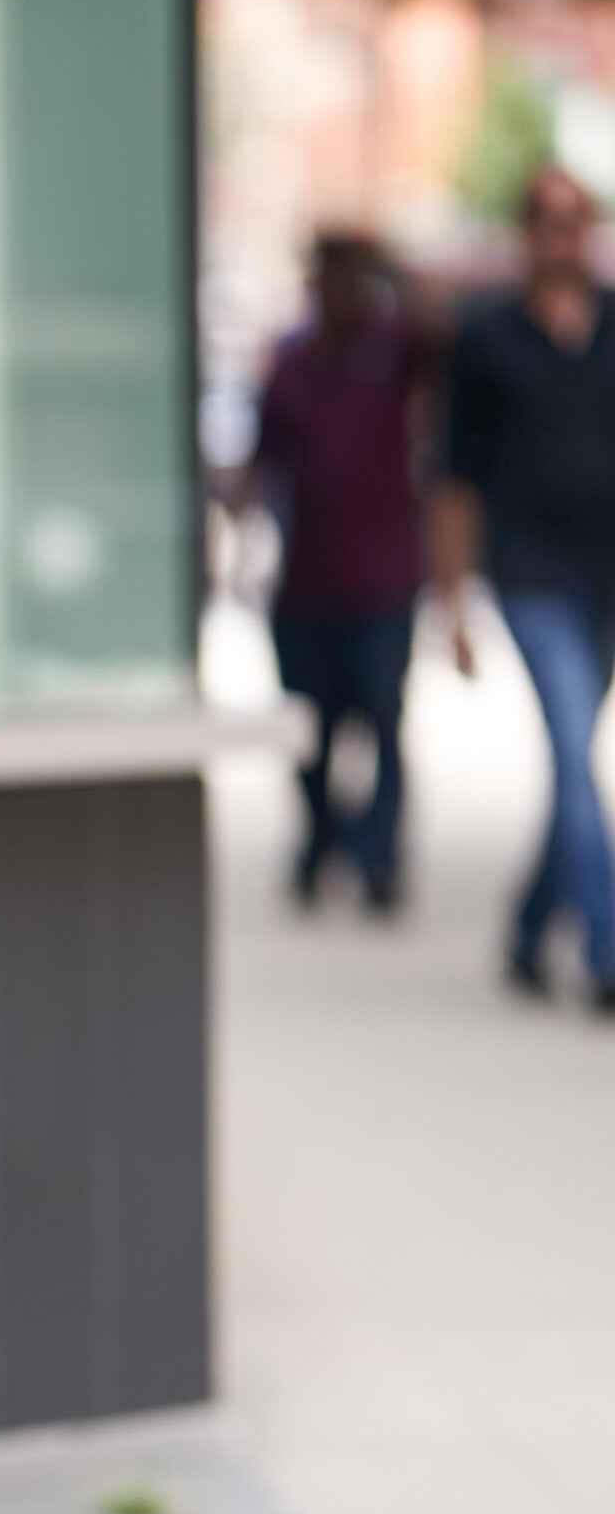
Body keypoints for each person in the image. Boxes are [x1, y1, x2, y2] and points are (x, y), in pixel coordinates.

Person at [437, 167, 615, 1009]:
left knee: (572, 763)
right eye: (545, 220)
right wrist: (448, 605)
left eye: (573, 221)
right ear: (523, 232)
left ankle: (526, 930)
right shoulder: (487, 336)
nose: (560, 235)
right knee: (576, 754)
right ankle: (607, 946)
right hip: (530, 571)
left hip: (605, 574)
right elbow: (454, 475)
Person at [251, 232, 426, 911]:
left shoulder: (393, 349)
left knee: (383, 723)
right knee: (312, 736)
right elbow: (262, 464)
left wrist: (389, 260)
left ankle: (377, 857)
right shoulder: (294, 362)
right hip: (307, 583)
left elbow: (441, 329)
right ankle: (320, 843)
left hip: (383, 578)